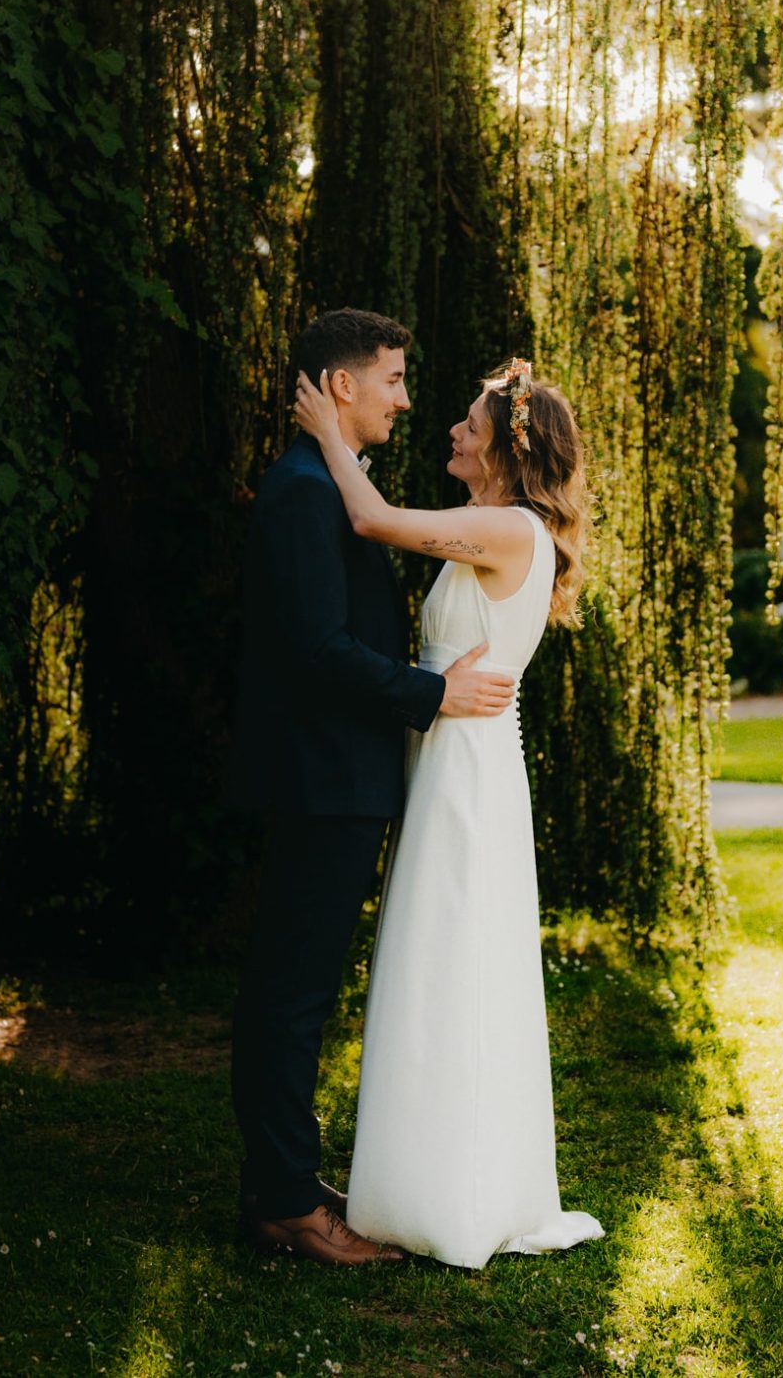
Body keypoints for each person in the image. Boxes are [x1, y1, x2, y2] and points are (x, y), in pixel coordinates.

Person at [288, 349, 605, 1268]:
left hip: (466, 773)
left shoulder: (507, 528)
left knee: (450, 962)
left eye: (470, 423)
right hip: (450, 760)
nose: (454, 431)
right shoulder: (494, 525)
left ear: (506, 448)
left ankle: (451, 1194)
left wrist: (327, 433)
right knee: (435, 961)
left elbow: (371, 517)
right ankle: (418, 1180)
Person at [224, 307, 518, 1267]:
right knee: (291, 995)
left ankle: (289, 1183)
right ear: (342, 385)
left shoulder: (327, 478)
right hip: (322, 779)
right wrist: (434, 694)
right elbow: (319, 650)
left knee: (297, 989)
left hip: (341, 778)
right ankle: (285, 1205)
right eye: (392, 379)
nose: (405, 398)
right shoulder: (305, 490)